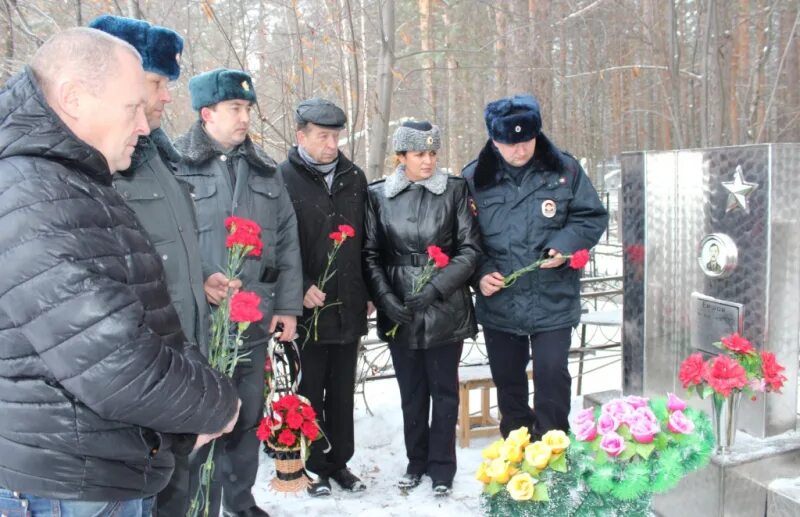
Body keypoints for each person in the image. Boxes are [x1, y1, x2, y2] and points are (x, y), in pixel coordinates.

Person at [0, 28, 239, 517]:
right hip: (67, 482)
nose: (146, 125)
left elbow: (136, 312)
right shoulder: (36, 193)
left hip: (93, 467)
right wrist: (218, 404)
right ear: (73, 98)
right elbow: (112, 360)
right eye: (132, 107)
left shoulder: (67, 179)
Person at [88, 14, 216, 516]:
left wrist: (201, 276)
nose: (168, 97)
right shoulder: (103, 163)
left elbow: (159, 250)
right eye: (159, 82)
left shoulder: (157, 157)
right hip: (136, 390)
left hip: (174, 375)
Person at [174, 68, 303, 517]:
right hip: (198, 322)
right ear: (207, 113)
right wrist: (200, 281)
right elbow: (169, 242)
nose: (245, 117)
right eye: (235, 108)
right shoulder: (174, 164)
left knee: (246, 416)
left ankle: (240, 501)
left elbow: (286, 241)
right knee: (200, 417)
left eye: (248, 108)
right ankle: (197, 505)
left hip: (253, 316)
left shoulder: (265, 169)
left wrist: (287, 306)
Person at [462, 94, 608, 440]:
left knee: (551, 374)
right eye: (509, 143)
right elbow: (464, 237)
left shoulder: (565, 170)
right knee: (508, 380)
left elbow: (590, 216)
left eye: (526, 141)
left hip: (553, 297)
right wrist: (481, 272)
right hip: (501, 302)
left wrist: (567, 246)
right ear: (493, 139)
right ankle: (516, 446)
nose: (519, 150)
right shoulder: (473, 179)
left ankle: (553, 445)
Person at [363, 121, 480, 497]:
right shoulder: (378, 196)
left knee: (444, 391)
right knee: (411, 392)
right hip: (400, 309)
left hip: (445, 308)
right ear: (401, 157)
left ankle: (442, 468)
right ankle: (416, 462)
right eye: (419, 154)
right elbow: (369, 254)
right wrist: (386, 299)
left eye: (433, 153)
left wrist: (435, 288)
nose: (428, 161)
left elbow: (470, 248)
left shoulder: (455, 191)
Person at [278, 98, 370, 497]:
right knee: (308, 390)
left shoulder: (354, 177)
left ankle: (340, 463)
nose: (332, 144)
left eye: (336, 136)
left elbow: (367, 240)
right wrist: (298, 287)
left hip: (347, 304)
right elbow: (277, 244)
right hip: (307, 310)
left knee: (342, 390)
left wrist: (366, 291)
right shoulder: (281, 178)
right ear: (301, 136)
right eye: (323, 136)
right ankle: (311, 463)